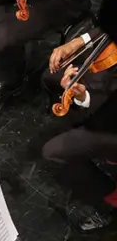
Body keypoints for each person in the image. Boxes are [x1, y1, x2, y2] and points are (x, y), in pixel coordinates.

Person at [40, 29, 117, 233]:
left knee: (53, 154)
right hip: (106, 89)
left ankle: (110, 202)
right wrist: (77, 42)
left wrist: (83, 98)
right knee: (52, 75)